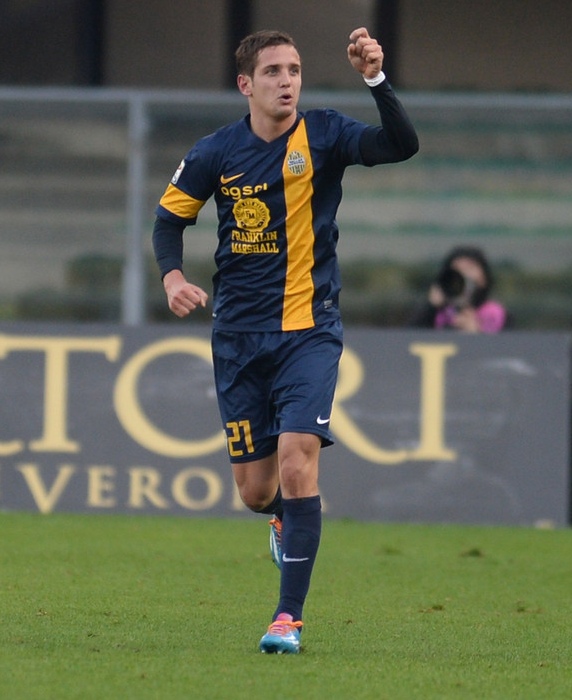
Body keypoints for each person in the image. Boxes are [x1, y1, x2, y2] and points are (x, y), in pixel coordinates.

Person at [151, 27, 418, 654]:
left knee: (299, 457)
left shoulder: (324, 133)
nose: (287, 81)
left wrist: (375, 79)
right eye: (273, 71)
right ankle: (277, 519)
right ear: (246, 84)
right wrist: (172, 278)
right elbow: (168, 220)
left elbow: (401, 145)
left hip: (309, 329)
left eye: (294, 69)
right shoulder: (217, 151)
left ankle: (286, 619)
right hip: (238, 336)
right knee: (255, 491)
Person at [410, 246, 507, 333]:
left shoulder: (497, 314)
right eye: (457, 269)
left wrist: (476, 334)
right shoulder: (435, 312)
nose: (463, 274)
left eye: (469, 268)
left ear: (484, 279)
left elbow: (508, 345)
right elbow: (408, 338)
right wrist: (431, 307)